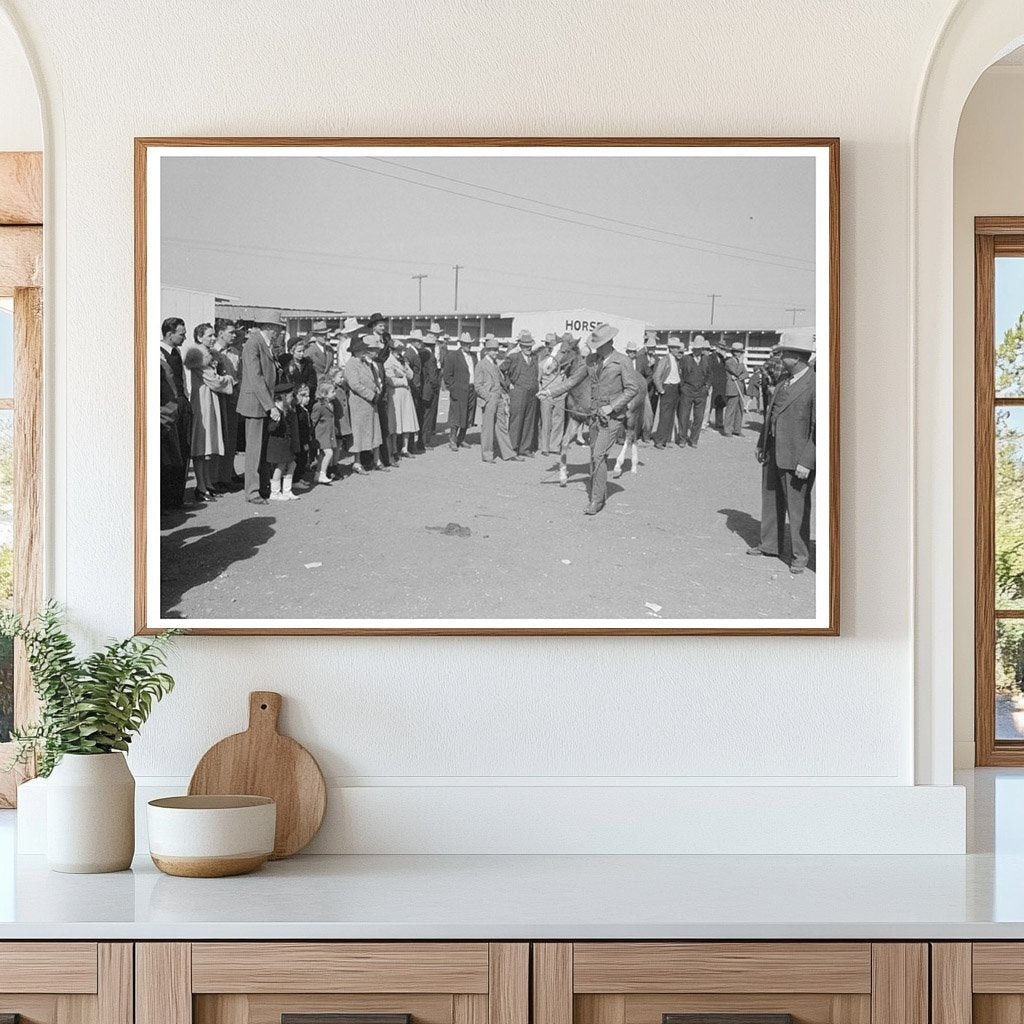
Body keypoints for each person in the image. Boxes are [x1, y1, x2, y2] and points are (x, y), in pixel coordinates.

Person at [538, 323, 641, 516]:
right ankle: (597, 488)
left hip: (612, 417)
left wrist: (612, 406)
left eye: (600, 344)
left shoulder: (622, 361)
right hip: (594, 416)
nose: (597, 349)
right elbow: (572, 381)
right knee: (595, 456)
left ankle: (597, 499)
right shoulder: (592, 360)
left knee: (598, 455)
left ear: (610, 342)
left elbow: (632, 389)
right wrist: (550, 392)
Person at [748, 332, 816, 574]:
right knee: (771, 501)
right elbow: (770, 417)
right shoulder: (782, 382)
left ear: (796, 358)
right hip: (773, 451)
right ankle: (769, 545)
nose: (780, 357)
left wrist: (807, 461)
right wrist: (761, 444)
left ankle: (800, 555)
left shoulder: (815, 384)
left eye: (784, 353)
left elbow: (819, 429)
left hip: (797, 459)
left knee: (797, 509)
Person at [184, 344, 234, 502]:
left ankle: (206, 483)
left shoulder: (207, 357)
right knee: (201, 446)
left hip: (209, 403)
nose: (213, 338)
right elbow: (214, 381)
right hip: (202, 404)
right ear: (200, 337)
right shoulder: (198, 357)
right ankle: (201, 486)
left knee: (207, 448)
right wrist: (229, 379)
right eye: (209, 335)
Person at [237, 325, 279, 505]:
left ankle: (262, 487)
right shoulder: (254, 344)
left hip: (263, 402)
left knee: (261, 449)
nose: (280, 332)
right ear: (270, 328)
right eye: (278, 328)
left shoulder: (265, 344)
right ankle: (252, 492)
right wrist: (271, 406)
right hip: (255, 403)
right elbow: (256, 378)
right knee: (254, 450)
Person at [343, 336, 388, 473]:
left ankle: (376, 460)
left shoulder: (365, 363)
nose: (364, 351)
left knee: (375, 430)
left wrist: (376, 391)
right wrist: (371, 395)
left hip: (370, 403)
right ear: (355, 351)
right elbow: (355, 384)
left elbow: (372, 380)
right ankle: (357, 462)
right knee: (359, 432)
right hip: (359, 403)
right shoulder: (351, 363)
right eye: (362, 349)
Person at [474, 335, 520, 463]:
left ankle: (508, 453)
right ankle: (487, 455)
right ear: (487, 351)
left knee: (501, 426)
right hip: (489, 399)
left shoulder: (495, 364)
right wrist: (488, 397)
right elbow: (477, 385)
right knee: (488, 428)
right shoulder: (481, 365)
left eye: (496, 349)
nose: (496, 352)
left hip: (498, 398)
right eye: (493, 350)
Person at [158, 317, 188, 509]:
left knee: (181, 452)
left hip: (180, 407)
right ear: (170, 334)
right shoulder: (158, 354)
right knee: (167, 457)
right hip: (166, 410)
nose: (184, 338)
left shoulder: (176, 352)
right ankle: (165, 502)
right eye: (181, 334)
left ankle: (177, 498)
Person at [212, 320, 243, 488]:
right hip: (218, 398)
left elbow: (240, 375)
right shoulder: (213, 352)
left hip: (233, 399)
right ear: (221, 333)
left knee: (231, 438)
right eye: (230, 332)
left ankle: (228, 473)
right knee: (219, 438)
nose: (234, 335)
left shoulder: (235, 352)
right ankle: (217, 477)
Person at [502, 329, 540, 456]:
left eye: (530, 346)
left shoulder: (535, 358)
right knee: (516, 421)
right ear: (521, 346)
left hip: (532, 394)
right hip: (518, 392)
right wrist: (508, 384)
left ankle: (525, 449)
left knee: (529, 421)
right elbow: (501, 370)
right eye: (525, 346)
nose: (528, 348)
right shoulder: (513, 357)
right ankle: (513, 448)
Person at [265, 381, 301, 501]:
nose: (292, 398)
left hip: (286, 444)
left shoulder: (288, 410)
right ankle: (275, 492)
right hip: (278, 444)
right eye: (291, 396)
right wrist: (277, 421)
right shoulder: (275, 411)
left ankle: (287, 490)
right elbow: (270, 428)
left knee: (292, 464)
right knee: (280, 466)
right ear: (283, 397)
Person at [386, 340, 420, 461]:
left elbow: (411, 375)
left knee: (406, 420)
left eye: (400, 350)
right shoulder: (388, 362)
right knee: (396, 423)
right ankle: (394, 449)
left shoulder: (402, 361)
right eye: (397, 350)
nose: (399, 352)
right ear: (391, 350)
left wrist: (405, 367)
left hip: (405, 393)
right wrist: (403, 381)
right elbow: (390, 380)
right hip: (395, 393)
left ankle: (404, 448)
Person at [443, 331, 477, 450]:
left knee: (468, 415)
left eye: (469, 343)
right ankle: (452, 439)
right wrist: (453, 388)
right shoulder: (453, 356)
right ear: (461, 343)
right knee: (456, 415)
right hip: (458, 390)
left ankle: (462, 438)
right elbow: (447, 375)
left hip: (471, 389)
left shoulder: (473, 356)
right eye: (466, 343)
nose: (468, 345)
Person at [677, 334, 713, 448]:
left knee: (699, 417)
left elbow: (710, 375)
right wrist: (683, 387)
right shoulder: (685, 359)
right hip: (687, 390)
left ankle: (694, 439)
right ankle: (682, 438)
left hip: (701, 392)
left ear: (702, 349)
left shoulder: (707, 359)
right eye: (695, 348)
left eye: (699, 348)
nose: (697, 350)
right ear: (692, 349)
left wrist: (706, 387)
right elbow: (680, 374)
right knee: (684, 416)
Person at [653, 335, 685, 448]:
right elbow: (656, 376)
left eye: (678, 348)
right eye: (676, 348)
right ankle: (659, 440)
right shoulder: (664, 360)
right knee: (665, 416)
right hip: (668, 388)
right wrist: (661, 390)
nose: (678, 350)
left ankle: (665, 439)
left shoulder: (676, 360)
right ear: (671, 349)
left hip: (675, 389)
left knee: (671, 416)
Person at [536, 336, 564, 456]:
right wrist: (540, 392)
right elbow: (538, 380)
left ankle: (555, 446)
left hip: (560, 395)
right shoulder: (542, 362)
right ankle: (544, 447)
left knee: (558, 421)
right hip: (546, 395)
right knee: (545, 421)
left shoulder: (563, 364)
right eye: (550, 346)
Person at [311, 380, 338, 484]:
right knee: (329, 453)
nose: (334, 393)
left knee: (322, 455)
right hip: (321, 434)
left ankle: (317, 474)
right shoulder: (319, 406)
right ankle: (323, 473)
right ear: (324, 394)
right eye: (332, 392)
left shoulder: (330, 404)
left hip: (329, 433)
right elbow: (313, 420)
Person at [405, 329, 426, 452]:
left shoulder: (414, 353)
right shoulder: (409, 354)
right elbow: (408, 371)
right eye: (417, 341)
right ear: (412, 341)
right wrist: (413, 385)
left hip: (416, 387)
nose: (419, 343)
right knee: (412, 416)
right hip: (413, 387)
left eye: (419, 341)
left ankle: (412, 445)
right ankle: (410, 446)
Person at [418, 332, 441, 448]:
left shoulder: (420, 353)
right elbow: (433, 377)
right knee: (428, 416)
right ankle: (424, 441)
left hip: (422, 388)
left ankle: (420, 440)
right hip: (429, 390)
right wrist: (437, 386)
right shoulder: (431, 357)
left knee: (422, 415)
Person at [723, 340, 748, 436]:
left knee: (740, 410)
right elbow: (736, 371)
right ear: (733, 352)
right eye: (737, 352)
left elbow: (746, 373)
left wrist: (741, 377)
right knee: (731, 410)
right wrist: (740, 366)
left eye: (740, 352)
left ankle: (737, 430)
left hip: (740, 388)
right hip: (732, 389)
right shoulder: (729, 362)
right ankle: (727, 430)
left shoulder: (740, 362)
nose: (739, 354)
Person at [707, 338, 730, 432]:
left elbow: (729, 368)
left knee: (720, 403)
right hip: (713, 383)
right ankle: (706, 421)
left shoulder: (725, 359)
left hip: (721, 384)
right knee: (709, 404)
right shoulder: (710, 357)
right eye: (720, 348)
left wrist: (725, 357)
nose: (722, 350)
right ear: (716, 347)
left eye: (723, 349)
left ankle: (719, 422)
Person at [293, 383, 314, 487]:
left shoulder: (305, 409)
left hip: (306, 438)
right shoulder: (298, 411)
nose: (307, 398)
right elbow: (300, 428)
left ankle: (299, 477)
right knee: (299, 459)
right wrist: (304, 441)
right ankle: (295, 480)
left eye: (308, 396)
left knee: (304, 459)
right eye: (304, 396)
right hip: (301, 440)